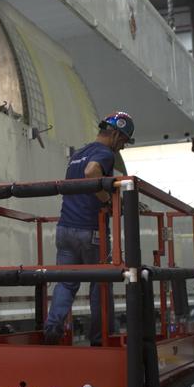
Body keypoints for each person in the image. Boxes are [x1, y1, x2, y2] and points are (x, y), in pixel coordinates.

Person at [43, 111, 135, 345]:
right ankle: (100, 338)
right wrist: (108, 201)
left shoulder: (78, 154)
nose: (122, 147)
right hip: (91, 231)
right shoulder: (104, 153)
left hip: (65, 229)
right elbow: (91, 173)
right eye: (123, 140)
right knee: (100, 284)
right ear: (115, 134)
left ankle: (52, 328)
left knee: (66, 282)